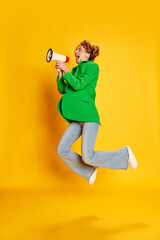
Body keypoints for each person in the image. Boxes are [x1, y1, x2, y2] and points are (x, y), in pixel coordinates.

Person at [55, 40, 137, 185]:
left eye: (79, 50)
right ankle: (89, 171)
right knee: (61, 149)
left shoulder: (93, 67)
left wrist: (66, 70)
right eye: (76, 50)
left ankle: (124, 154)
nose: (76, 52)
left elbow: (78, 84)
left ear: (88, 54)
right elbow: (63, 90)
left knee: (88, 156)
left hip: (88, 117)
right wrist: (61, 72)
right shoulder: (73, 71)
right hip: (77, 118)